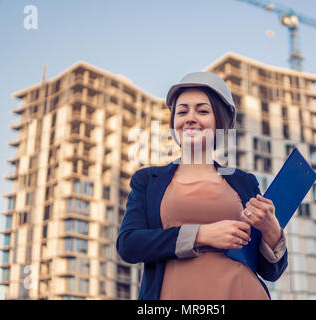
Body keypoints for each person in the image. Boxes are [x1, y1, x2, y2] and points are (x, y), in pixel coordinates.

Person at [117, 71, 288, 300]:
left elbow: (270, 272)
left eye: (203, 110)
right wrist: (201, 235)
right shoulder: (147, 180)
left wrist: (271, 229)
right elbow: (129, 245)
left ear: (219, 121)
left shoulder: (244, 182)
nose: (190, 118)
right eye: (182, 111)